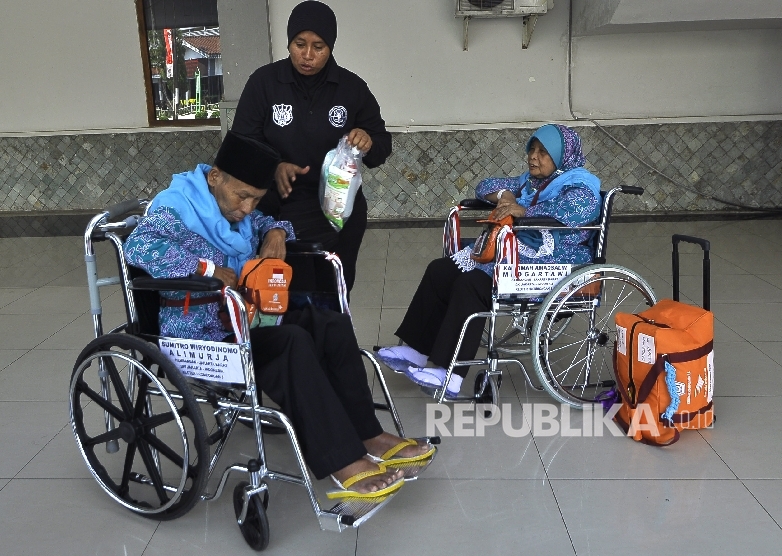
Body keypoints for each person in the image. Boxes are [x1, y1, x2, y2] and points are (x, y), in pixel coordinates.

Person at [123, 131, 432, 499]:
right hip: (203, 334)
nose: (247, 208)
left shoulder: (236, 210)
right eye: (243, 196)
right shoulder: (177, 208)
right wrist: (204, 268)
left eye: (256, 199)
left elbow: (268, 221)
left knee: (328, 322)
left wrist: (274, 232)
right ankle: (342, 460)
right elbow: (138, 245)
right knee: (292, 342)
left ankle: (368, 432)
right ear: (215, 177)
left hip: (246, 320)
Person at [377, 124, 601, 398]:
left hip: (556, 260)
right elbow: (486, 186)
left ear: (562, 156)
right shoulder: (530, 183)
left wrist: (524, 209)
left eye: (543, 152)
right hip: (520, 249)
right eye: (532, 149)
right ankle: (417, 350)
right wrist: (505, 197)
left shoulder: (580, 185)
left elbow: (579, 210)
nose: (533, 156)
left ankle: (452, 374)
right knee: (441, 270)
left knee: (472, 285)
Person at [231, 0, 392, 294]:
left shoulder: (351, 88)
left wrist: (367, 140)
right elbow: (241, 146)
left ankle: (331, 336)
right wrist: (274, 166)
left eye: (318, 46)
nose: (307, 55)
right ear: (289, 42)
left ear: (330, 46)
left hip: (338, 207)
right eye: (299, 44)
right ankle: (293, 337)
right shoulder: (264, 83)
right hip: (277, 203)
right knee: (287, 289)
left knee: (335, 289)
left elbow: (382, 146)